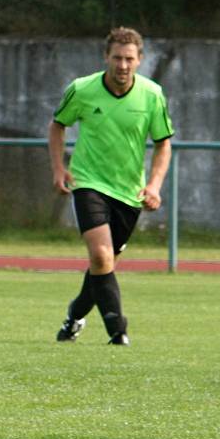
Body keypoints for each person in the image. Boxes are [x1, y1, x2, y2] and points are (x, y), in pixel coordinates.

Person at [48, 27, 174, 346]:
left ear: (140, 60)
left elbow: (163, 143)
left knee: (102, 265)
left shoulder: (152, 95)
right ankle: (118, 331)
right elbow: (57, 126)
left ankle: (74, 317)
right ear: (106, 57)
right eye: (117, 58)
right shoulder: (82, 89)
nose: (122, 65)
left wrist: (155, 185)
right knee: (102, 256)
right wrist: (59, 168)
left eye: (129, 59)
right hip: (87, 182)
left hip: (129, 192)